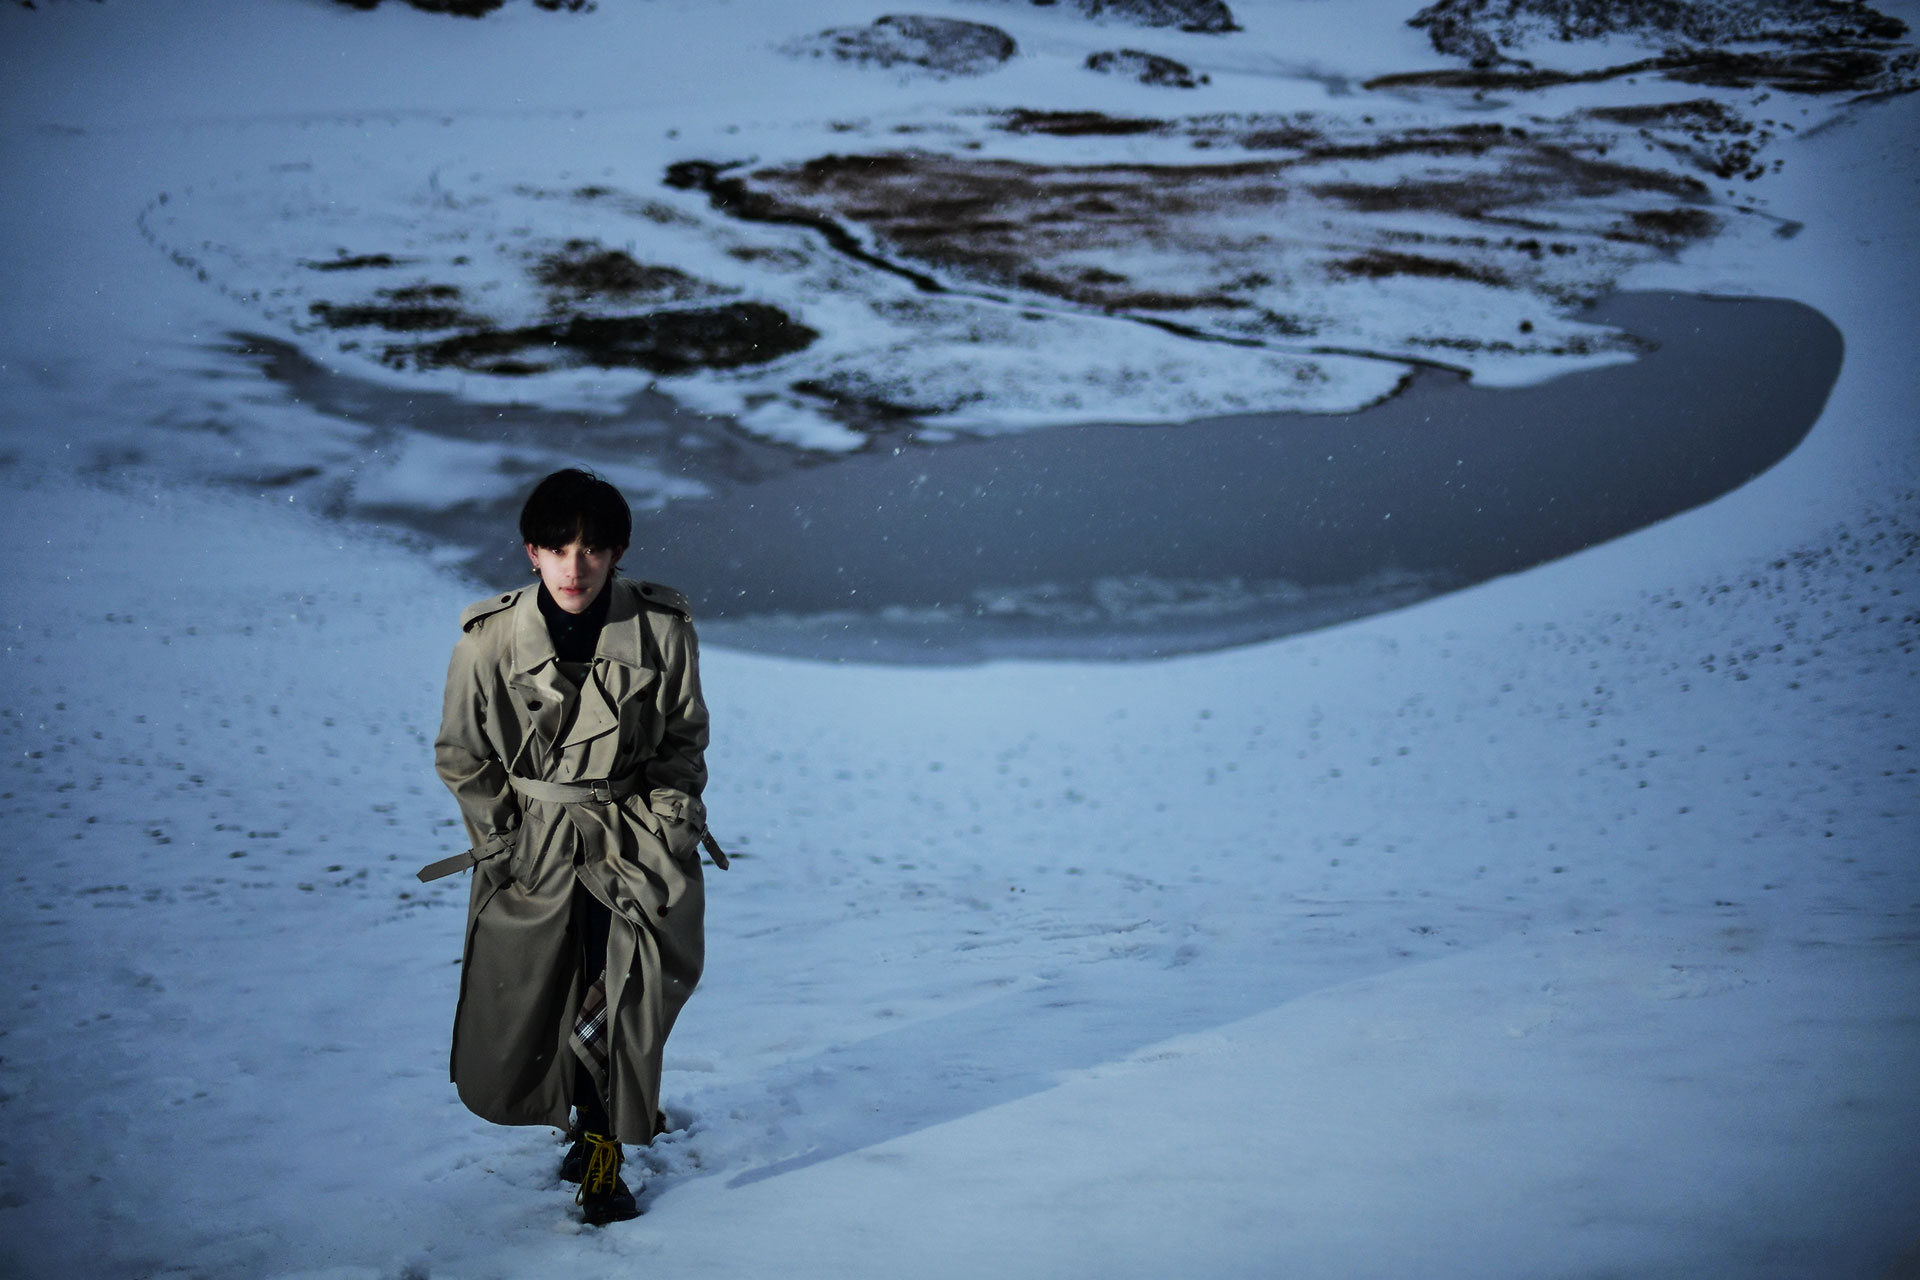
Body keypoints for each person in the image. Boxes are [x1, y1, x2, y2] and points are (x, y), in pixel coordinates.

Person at [424, 467, 722, 1225]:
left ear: (618, 552)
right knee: (542, 997)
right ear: (532, 552)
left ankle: (602, 1139)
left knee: (625, 991)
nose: (574, 566)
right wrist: (504, 842)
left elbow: (683, 739)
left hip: (631, 841)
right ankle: (583, 1122)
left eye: (592, 548)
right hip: (534, 846)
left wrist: (668, 824)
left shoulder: (660, 629)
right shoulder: (489, 640)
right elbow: (462, 754)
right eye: (557, 548)